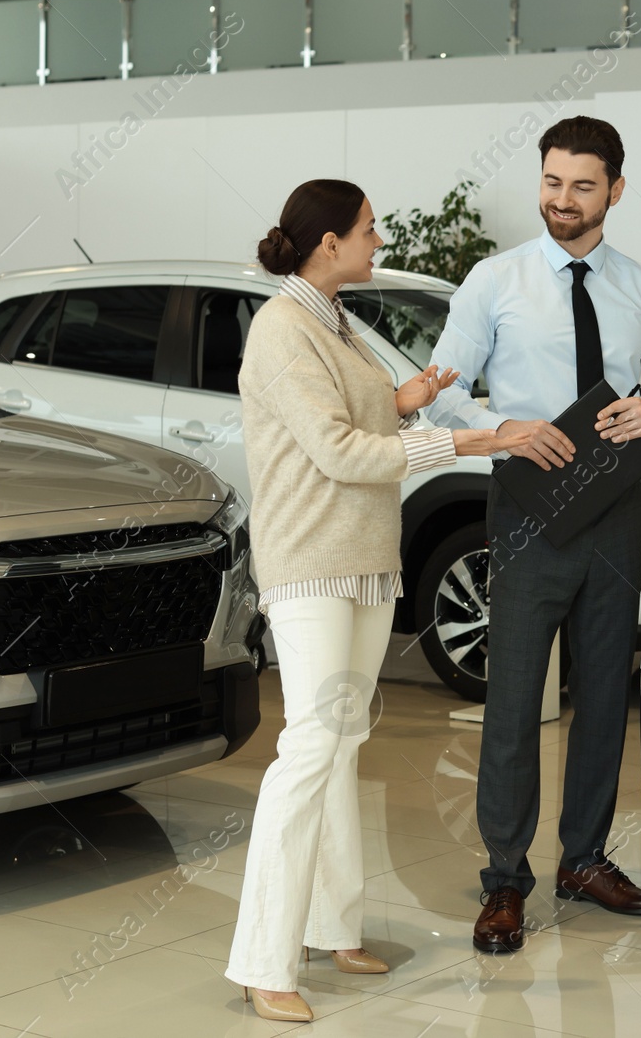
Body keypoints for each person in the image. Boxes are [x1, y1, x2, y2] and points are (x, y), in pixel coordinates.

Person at [225, 178, 527, 1021]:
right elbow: (335, 450)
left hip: (359, 560)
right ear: (327, 243)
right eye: (367, 229)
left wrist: (407, 400)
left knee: (344, 738)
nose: (379, 239)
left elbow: (361, 416)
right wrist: (462, 439)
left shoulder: (337, 318)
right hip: (312, 562)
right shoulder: (283, 327)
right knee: (312, 743)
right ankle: (262, 959)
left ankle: (331, 926)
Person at [425, 116, 641, 952]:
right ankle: (505, 878)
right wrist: (504, 425)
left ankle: (583, 859)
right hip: (527, 516)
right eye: (552, 183)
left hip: (617, 514)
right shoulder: (494, 281)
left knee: (601, 701)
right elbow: (441, 391)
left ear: (615, 189)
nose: (562, 202)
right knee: (511, 702)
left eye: (582, 186)